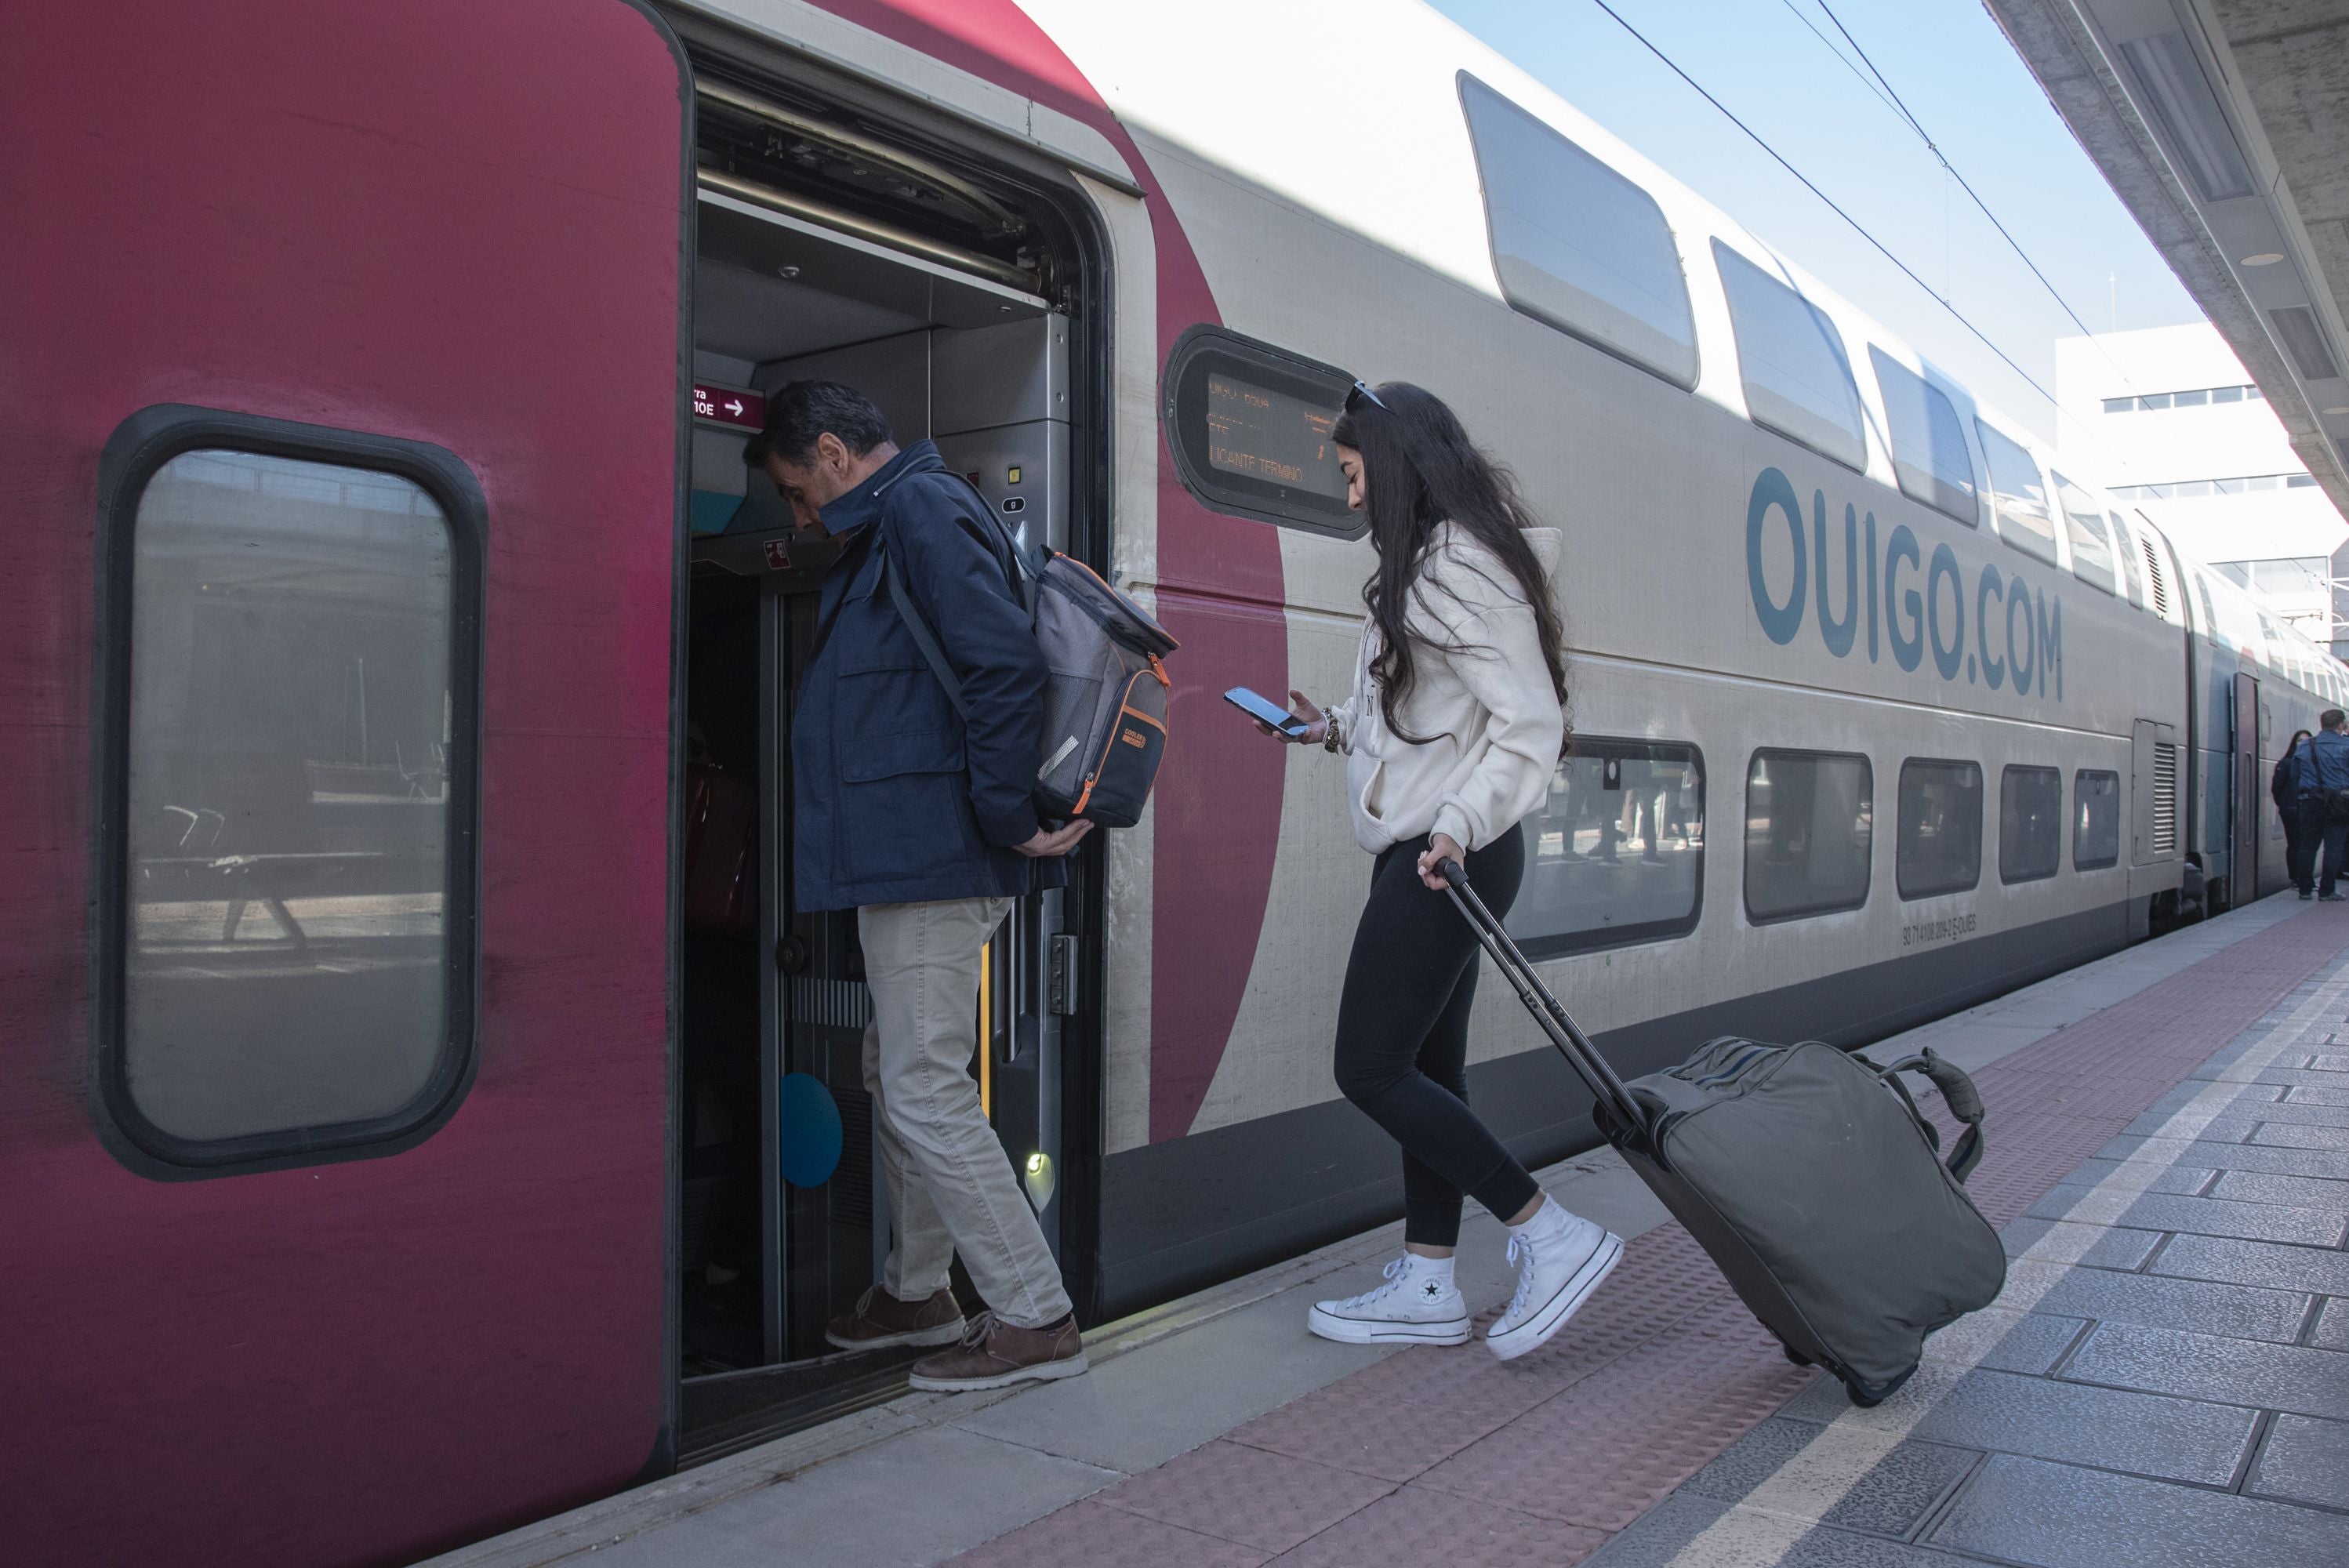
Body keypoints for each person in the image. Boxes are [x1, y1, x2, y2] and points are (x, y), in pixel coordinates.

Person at [742, 381, 1091, 1392]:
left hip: (936, 855)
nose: (803, 516)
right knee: (897, 1073)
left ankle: (1033, 1314)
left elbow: (999, 668)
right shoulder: (895, 521)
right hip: (907, 856)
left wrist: (1006, 815)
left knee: (923, 1084)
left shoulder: (921, 509)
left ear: (832, 452)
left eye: (799, 492)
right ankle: (916, 1288)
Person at [1265, 379, 1621, 1362]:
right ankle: (1427, 1279)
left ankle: (1550, 1234)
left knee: (1367, 1065)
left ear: (1391, 464)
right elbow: (1433, 720)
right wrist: (1330, 726)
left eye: (1349, 475)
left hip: (1444, 852)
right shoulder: (1430, 564)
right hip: (1434, 843)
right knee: (1429, 1068)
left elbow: (1529, 726)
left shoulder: (1455, 569)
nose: (1345, 498)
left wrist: (1457, 825)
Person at [2292, 711, 2349, 902]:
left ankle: (2305, 889)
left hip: (2310, 800)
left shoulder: (2305, 746)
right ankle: (2327, 891)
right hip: (2339, 802)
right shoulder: (2346, 746)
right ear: (2341, 725)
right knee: (2334, 847)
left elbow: (2295, 775)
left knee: (2307, 846)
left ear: (2322, 724)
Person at [2278, 728, 2311, 895]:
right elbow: (2277, 787)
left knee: (2304, 844)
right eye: (2299, 741)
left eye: (2306, 741)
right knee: (2295, 843)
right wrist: (2284, 803)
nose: (2302, 744)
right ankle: (2296, 878)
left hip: (2305, 808)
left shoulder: (2311, 764)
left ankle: (2303, 878)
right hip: (2291, 809)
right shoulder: (2286, 764)